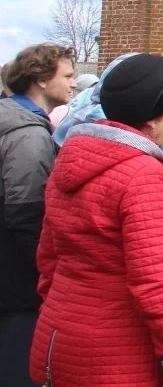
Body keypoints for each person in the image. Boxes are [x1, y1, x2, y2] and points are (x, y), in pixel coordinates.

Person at [30, 53, 163, 387]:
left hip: (60, 335)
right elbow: (155, 280)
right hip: (118, 353)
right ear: (152, 120)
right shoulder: (143, 176)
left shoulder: (73, 158)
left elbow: (48, 260)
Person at [0, 44, 72, 383]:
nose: (73, 83)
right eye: (67, 76)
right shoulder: (28, 134)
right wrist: (49, 270)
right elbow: (25, 214)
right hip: (16, 277)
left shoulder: (15, 121)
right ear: (41, 80)